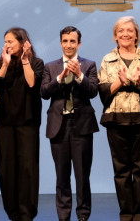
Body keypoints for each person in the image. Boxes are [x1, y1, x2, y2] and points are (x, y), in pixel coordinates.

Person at [98, 16, 140, 221]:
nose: (125, 34)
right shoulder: (108, 60)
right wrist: (120, 81)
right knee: (121, 171)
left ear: (136, 34)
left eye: (130, 30)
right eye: (121, 31)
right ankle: (126, 214)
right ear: (115, 35)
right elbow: (102, 90)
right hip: (116, 119)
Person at [41, 26, 100, 221]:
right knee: (62, 175)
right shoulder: (50, 67)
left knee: (82, 176)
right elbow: (44, 92)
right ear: (60, 43)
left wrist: (79, 75)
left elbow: (93, 91)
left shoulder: (89, 65)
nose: (68, 45)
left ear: (79, 43)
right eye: (65, 41)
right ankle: (63, 216)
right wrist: (60, 78)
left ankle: (83, 214)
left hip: (81, 125)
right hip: (58, 126)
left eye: (72, 41)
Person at [0, 27, 44, 221]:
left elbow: (32, 84)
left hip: (27, 122)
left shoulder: (36, 62)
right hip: (5, 123)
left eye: (11, 41)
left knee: (27, 169)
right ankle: (12, 212)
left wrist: (25, 61)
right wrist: (4, 65)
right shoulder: (1, 64)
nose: (7, 45)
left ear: (22, 42)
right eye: (5, 41)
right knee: (7, 168)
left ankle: (26, 212)